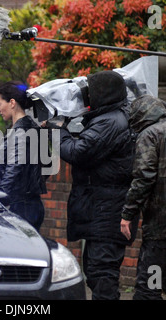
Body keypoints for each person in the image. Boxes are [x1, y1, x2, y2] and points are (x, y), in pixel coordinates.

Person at [57, 70, 137, 300]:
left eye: (90, 92)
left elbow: (78, 151)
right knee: (95, 272)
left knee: (102, 275)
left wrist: (57, 129)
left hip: (107, 212)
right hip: (103, 210)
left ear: (103, 94)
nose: (87, 97)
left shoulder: (110, 122)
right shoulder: (113, 117)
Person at [121, 95, 166, 300]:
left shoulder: (150, 134)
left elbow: (144, 177)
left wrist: (128, 213)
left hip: (159, 228)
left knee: (150, 285)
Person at [0, 81, 47, 231]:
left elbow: (14, 167)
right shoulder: (33, 128)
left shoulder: (21, 131)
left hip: (20, 206)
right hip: (31, 204)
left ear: (12, 102)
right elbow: (46, 166)